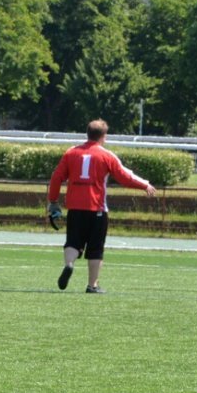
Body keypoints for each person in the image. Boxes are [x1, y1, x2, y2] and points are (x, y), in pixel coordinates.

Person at [48, 120, 157, 294]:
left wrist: (53, 201)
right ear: (103, 136)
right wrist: (144, 185)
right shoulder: (106, 155)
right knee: (95, 248)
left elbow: (56, 177)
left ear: (87, 133)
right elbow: (124, 177)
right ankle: (92, 285)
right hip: (97, 208)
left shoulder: (71, 153)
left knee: (73, 242)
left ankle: (69, 264)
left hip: (75, 208)